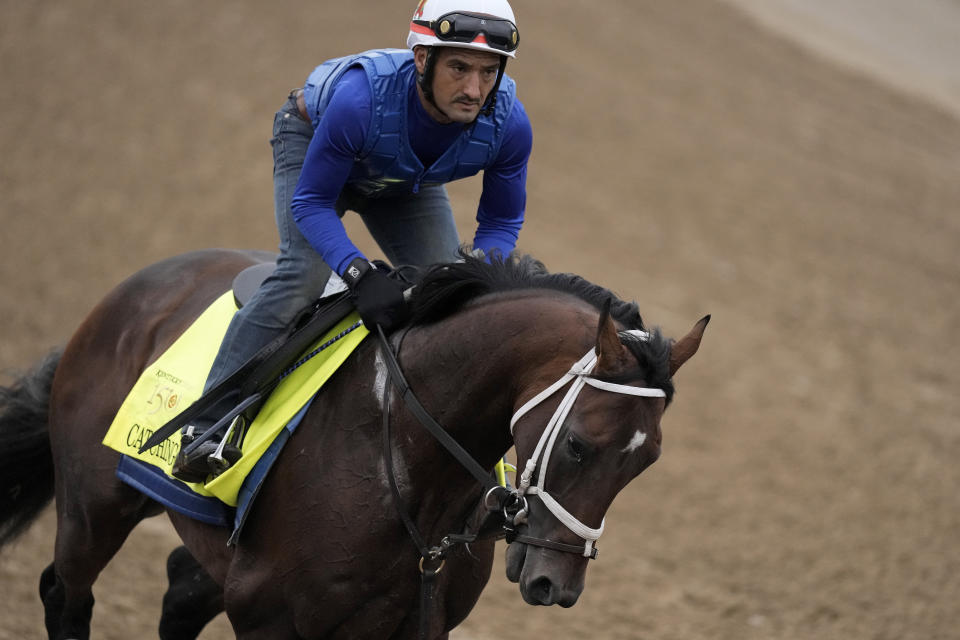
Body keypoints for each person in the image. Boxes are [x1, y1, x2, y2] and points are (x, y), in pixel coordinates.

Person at [172, 0, 532, 482]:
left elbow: (502, 221)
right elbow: (312, 203)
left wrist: (476, 276)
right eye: (459, 67)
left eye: (489, 72)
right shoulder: (359, 101)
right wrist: (358, 273)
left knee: (454, 295)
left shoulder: (509, 123)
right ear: (422, 60)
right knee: (303, 275)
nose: (473, 89)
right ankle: (203, 425)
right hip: (315, 147)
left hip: (401, 181)